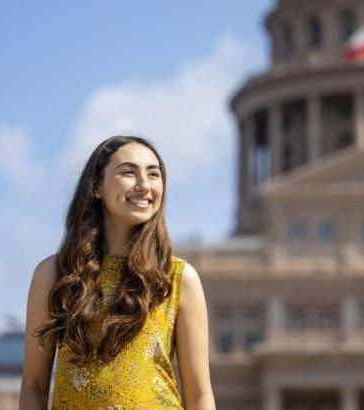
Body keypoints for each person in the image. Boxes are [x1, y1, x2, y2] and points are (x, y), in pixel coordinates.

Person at [19, 136, 216, 409]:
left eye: (153, 174)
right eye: (128, 172)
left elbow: (199, 394)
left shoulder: (178, 278)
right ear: (97, 186)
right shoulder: (54, 274)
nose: (144, 185)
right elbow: (34, 388)